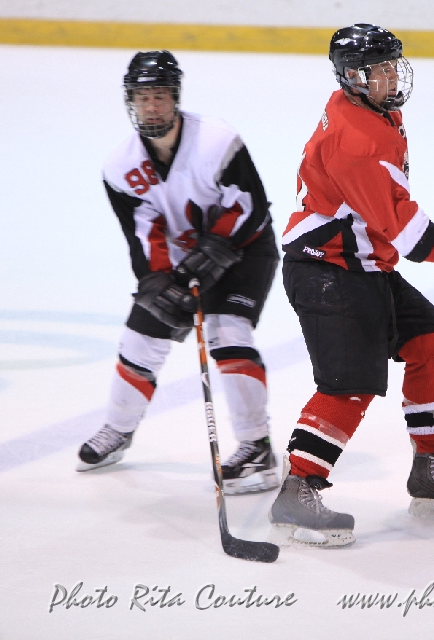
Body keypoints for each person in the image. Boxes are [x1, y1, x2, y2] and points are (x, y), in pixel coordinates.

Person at [269, 24, 434, 547]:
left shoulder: (371, 111)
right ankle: (299, 489)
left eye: (391, 66)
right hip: (327, 271)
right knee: (350, 384)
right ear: (351, 78)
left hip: (362, 264)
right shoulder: (357, 139)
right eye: (376, 70)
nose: (390, 77)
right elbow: (404, 230)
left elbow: (389, 218)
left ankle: (430, 466)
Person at [77, 50, 281, 496]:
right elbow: (142, 235)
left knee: (228, 335)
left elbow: (249, 206)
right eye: (143, 97)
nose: (152, 106)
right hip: (178, 259)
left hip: (244, 251)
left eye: (160, 96)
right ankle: (118, 429)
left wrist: (212, 255)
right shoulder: (120, 168)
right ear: (130, 102)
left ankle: (257, 447)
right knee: (140, 338)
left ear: (175, 97)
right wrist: (156, 282)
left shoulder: (217, 141)